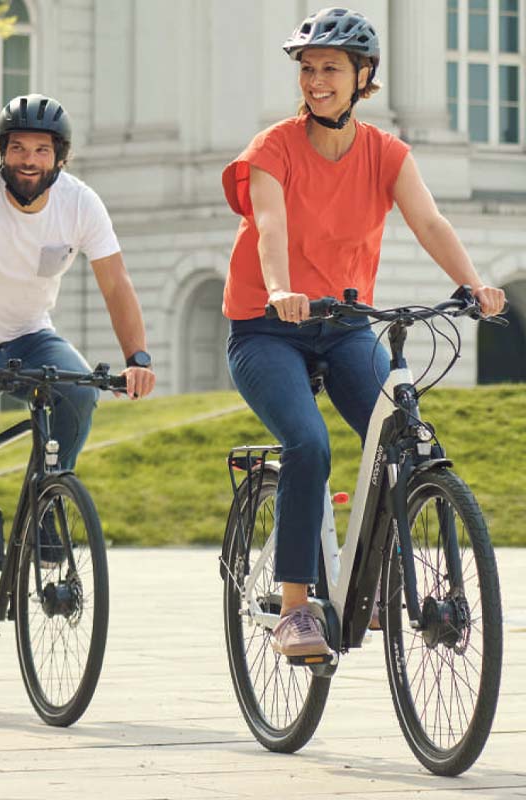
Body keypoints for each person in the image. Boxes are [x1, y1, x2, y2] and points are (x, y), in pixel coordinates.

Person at [222, 7, 506, 659]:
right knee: (308, 442)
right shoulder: (272, 149)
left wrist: (472, 283)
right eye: (308, 68)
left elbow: (430, 223)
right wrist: (278, 290)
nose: (317, 80)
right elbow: (270, 227)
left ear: (362, 77)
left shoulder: (386, 153)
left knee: (406, 436)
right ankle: (296, 607)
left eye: (331, 69)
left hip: (346, 325)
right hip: (268, 327)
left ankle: (374, 575)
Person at [0, 93, 155, 677]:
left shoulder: (79, 204)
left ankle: (48, 499)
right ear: (1, 153)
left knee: (78, 387)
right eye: (17, 148)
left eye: (40, 150)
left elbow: (116, 282)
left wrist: (137, 356)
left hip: (29, 336)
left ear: (59, 158)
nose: (28, 159)